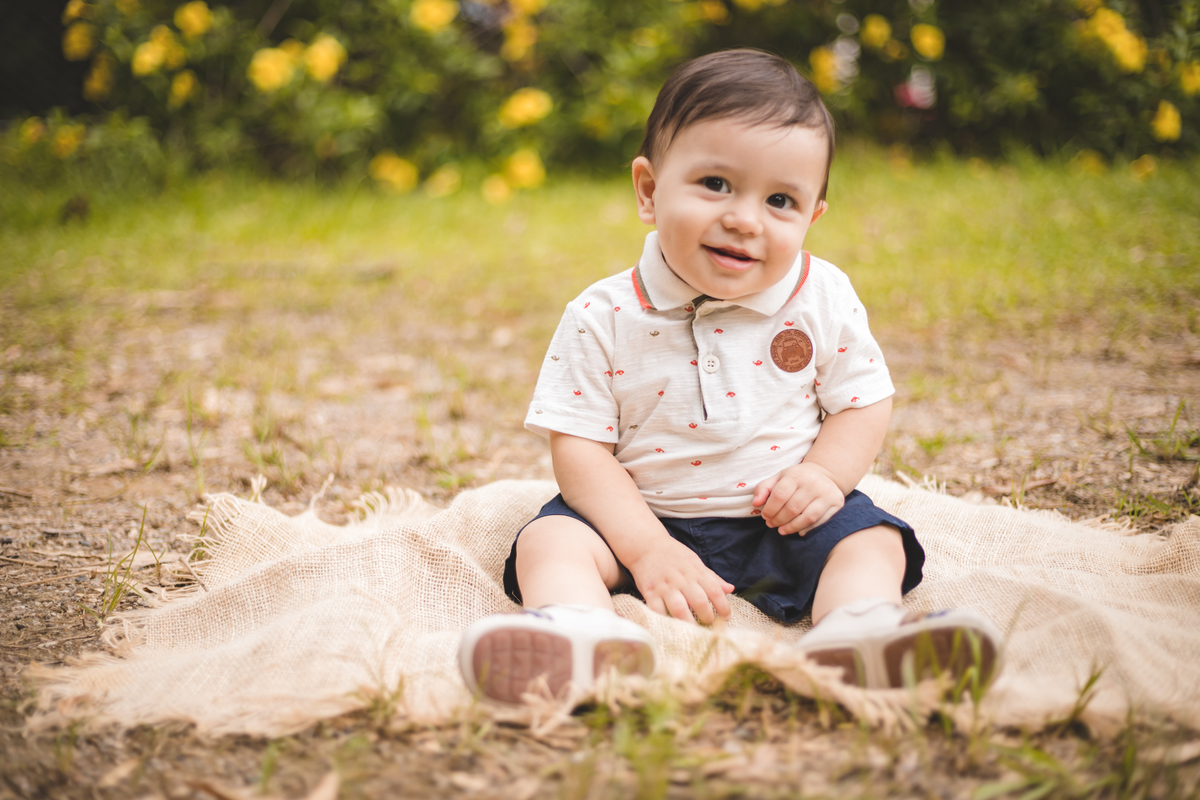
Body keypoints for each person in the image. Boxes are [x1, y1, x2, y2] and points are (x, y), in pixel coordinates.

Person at [459, 49, 1002, 704]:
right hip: (640, 517)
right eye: (715, 183)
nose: (745, 219)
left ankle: (861, 630)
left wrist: (824, 477)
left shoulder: (821, 295)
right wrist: (647, 549)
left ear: (812, 217)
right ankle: (578, 634)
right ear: (649, 190)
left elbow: (862, 401)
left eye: (780, 200)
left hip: (779, 519)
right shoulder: (602, 315)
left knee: (872, 541)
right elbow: (579, 448)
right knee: (548, 542)